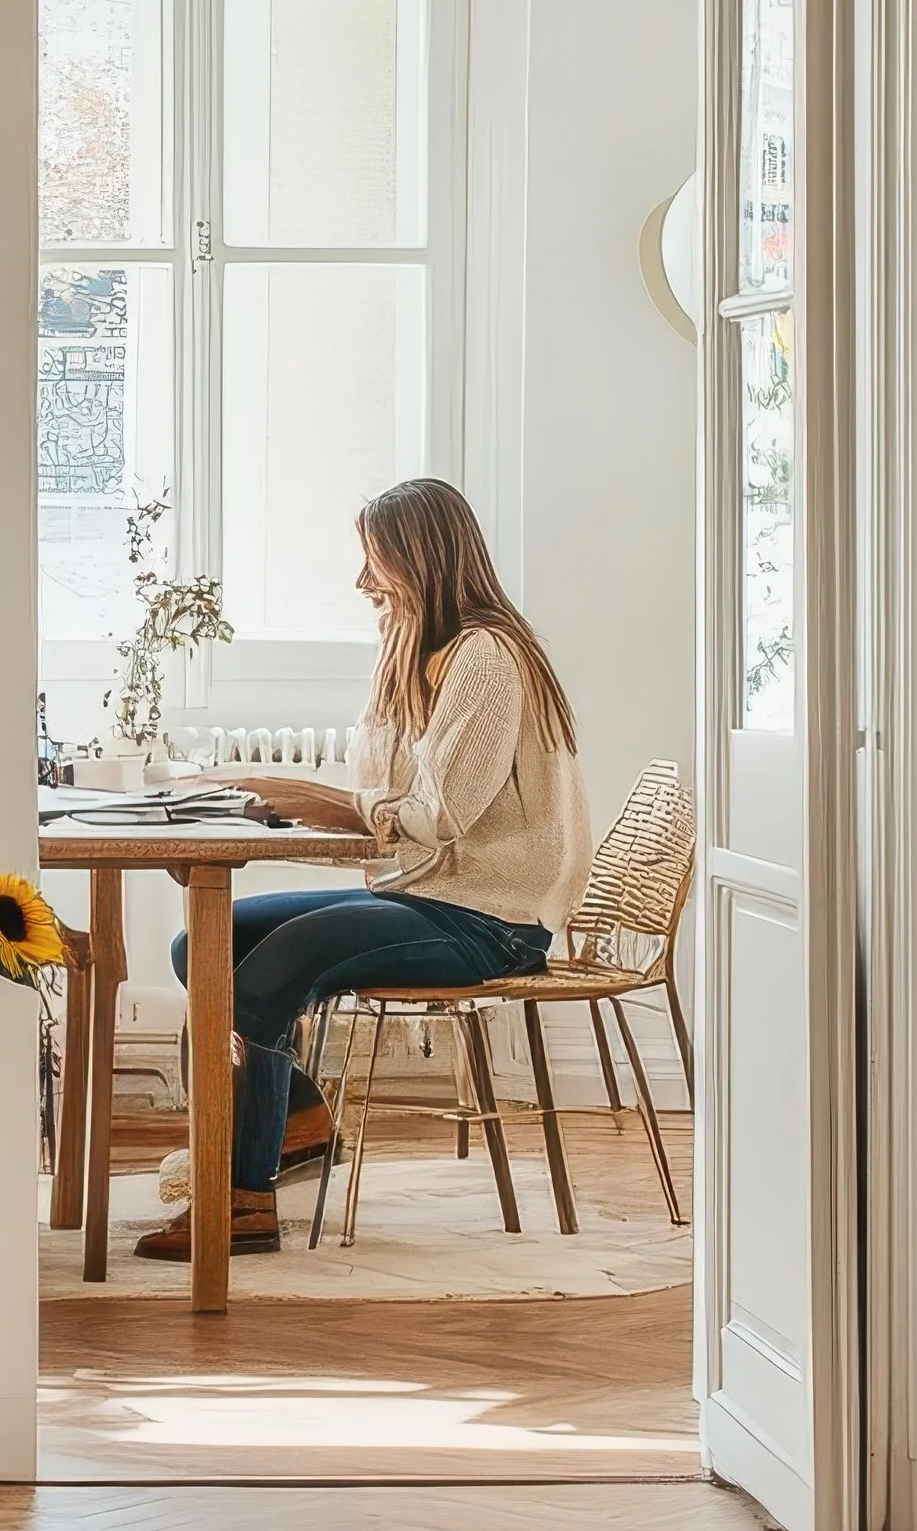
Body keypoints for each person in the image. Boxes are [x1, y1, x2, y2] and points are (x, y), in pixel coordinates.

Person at [136, 476, 591, 1259]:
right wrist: (393, 665)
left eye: (375, 563)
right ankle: (301, 1124)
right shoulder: (432, 654)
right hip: (431, 895)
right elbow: (380, 783)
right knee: (203, 946)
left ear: (422, 561)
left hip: (491, 921)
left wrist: (329, 799)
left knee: (272, 968)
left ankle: (244, 1200)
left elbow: (431, 813)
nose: (361, 584)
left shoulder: (486, 656)